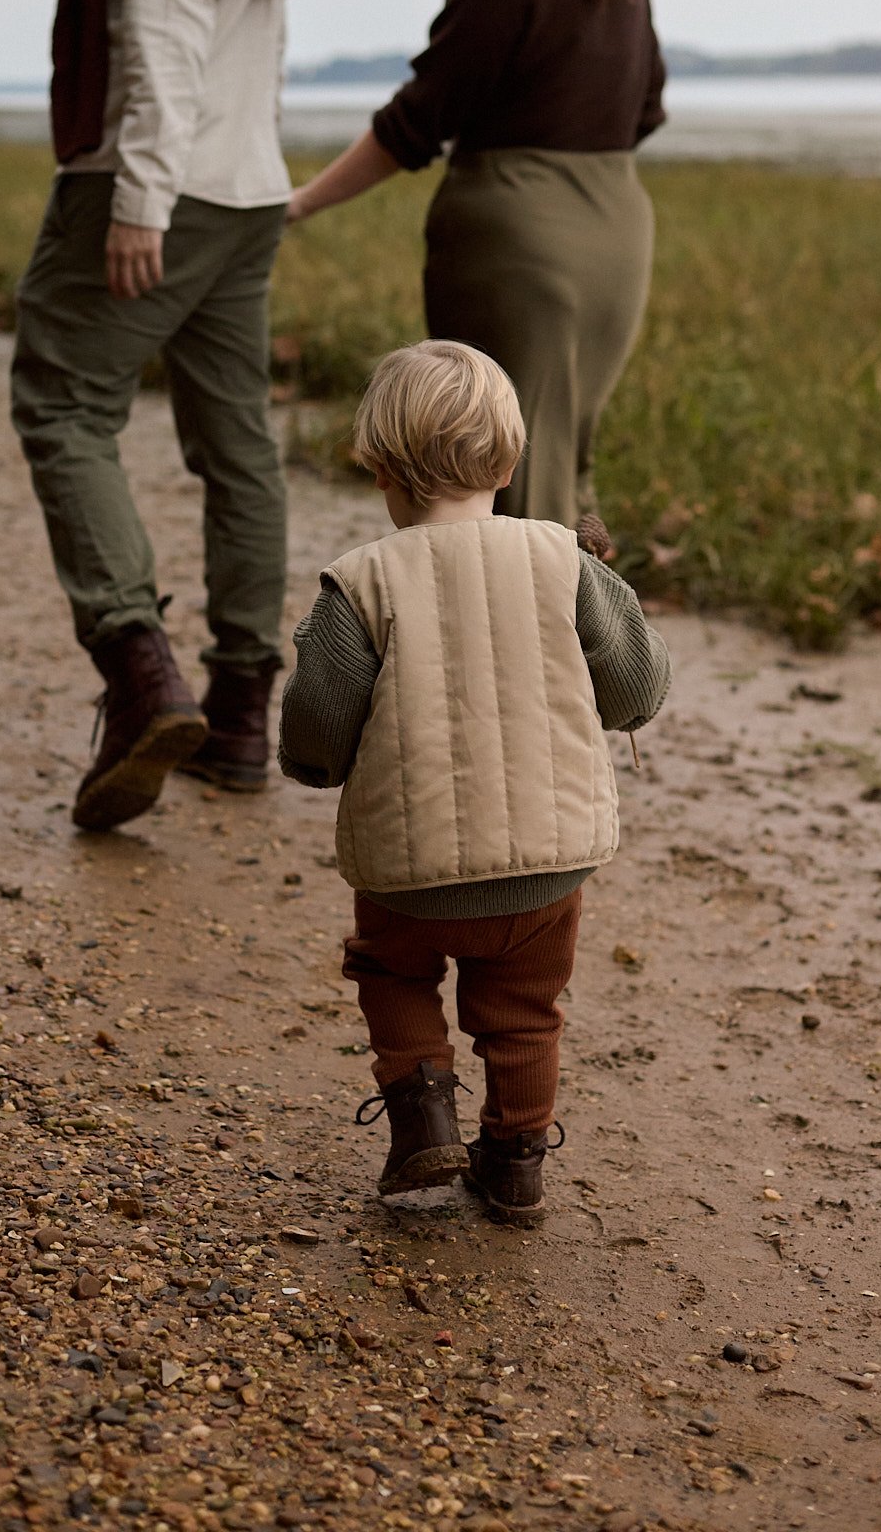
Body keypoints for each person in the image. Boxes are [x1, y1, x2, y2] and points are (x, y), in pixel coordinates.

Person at [11, 0, 305, 833]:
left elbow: (167, 27)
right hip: (248, 182)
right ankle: (242, 715)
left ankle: (139, 672)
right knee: (235, 441)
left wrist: (137, 194)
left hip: (165, 180)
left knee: (60, 400)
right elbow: (260, 18)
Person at [279, 341, 670, 1224]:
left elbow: (318, 721)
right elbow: (636, 689)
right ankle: (516, 1165)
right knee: (526, 1010)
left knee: (389, 972)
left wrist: (315, 768)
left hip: (408, 878)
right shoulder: (566, 560)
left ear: (378, 464)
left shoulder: (361, 583)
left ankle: (422, 1119)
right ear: (512, 457)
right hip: (547, 864)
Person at [286, 0, 666, 532]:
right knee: (565, 460)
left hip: (517, 249)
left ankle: (522, 644)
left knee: (492, 472)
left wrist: (299, 204)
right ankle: (591, 640)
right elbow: (646, 110)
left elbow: (412, 127)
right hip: (618, 243)